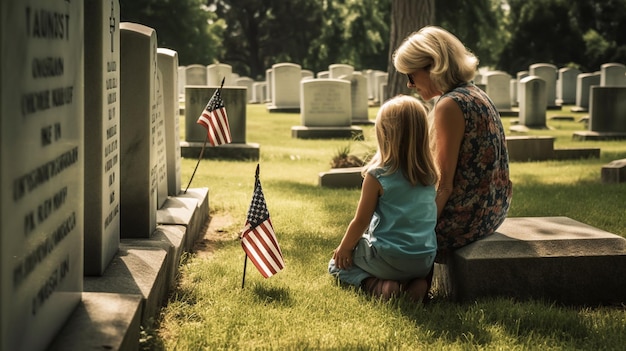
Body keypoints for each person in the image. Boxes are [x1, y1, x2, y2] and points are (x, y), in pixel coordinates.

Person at [393, 26, 512, 264]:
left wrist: (421, 231)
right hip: (493, 210)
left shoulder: (450, 105)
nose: (409, 85)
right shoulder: (475, 93)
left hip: (464, 219)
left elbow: (444, 186)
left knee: (382, 236)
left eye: (411, 75)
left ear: (434, 65)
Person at [328, 95, 439, 302]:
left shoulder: (377, 176)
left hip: (390, 257)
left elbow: (361, 221)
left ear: (384, 134)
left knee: (336, 264)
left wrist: (344, 247)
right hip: (424, 260)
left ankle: (380, 287)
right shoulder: (431, 175)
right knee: (403, 265)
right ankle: (416, 285)